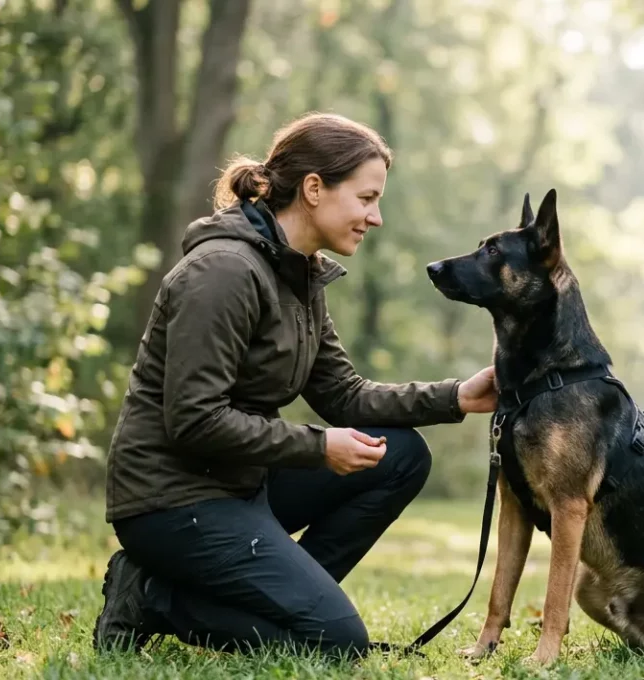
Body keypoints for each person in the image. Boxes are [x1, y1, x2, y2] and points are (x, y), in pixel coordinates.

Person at [92, 112, 497, 660]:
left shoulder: (300, 274)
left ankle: (279, 601)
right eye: (366, 198)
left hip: (241, 484)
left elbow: (343, 395)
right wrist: (318, 447)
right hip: (170, 500)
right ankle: (149, 595)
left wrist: (455, 396)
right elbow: (193, 419)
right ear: (313, 189)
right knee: (335, 644)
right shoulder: (223, 272)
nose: (375, 217)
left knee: (400, 456)